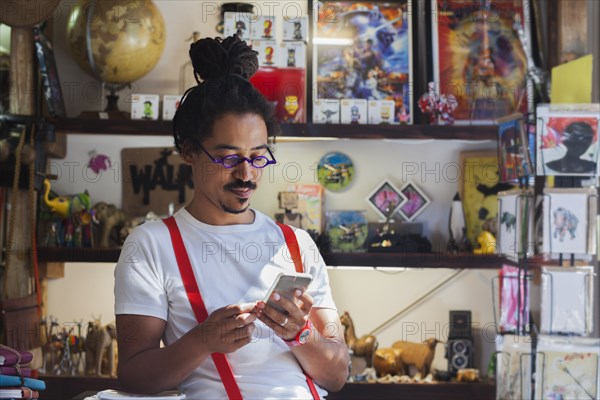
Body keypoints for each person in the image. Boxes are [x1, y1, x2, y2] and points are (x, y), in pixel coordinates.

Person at [113, 35, 349, 399]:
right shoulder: (151, 246)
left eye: (258, 156)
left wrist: (300, 333)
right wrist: (203, 340)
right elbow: (133, 377)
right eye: (228, 157)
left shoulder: (296, 245)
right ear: (189, 151)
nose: (246, 174)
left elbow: (337, 374)